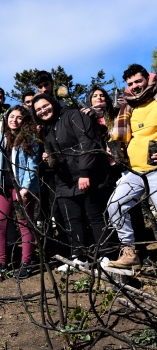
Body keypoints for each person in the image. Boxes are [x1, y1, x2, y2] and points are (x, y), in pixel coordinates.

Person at [33, 92, 112, 266]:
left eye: (45, 106)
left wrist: (84, 172)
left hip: (87, 174)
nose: (43, 111)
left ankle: (104, 254)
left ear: (53, 102)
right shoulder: (47, 128)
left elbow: (87, 141)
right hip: (64, 180)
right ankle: (78, 256)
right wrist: (49, 157)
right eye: (38, 109)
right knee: (71, 218)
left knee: (94, 215)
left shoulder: (73, 114)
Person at [107, 64, 157, 268]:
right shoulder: (128, 107)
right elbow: (120, 137)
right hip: (134, 170)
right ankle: (129, 252)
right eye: (130, 84)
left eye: (138, 81)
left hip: (155, 169)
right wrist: (114, 148)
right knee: (115, 206)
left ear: (148, 79)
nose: (135, 86)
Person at [0, 105, 40, 279]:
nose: (14, 120)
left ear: (25, 121)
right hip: (2, 189)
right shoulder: (0, 139)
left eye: (19, 117)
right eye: (11, 116)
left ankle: (26, 263)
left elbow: (32, 166)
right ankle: (2, 264)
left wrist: (25, 187)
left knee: (25, 225)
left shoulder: (30, 140)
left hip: (22, 189)